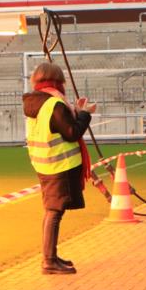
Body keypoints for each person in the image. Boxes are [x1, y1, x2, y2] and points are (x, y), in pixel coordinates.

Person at [22, 62, 95, 275]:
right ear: (57, 81)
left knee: (52, 211)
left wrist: (76, 111)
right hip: (59, 165)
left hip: (45, 163)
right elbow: (72, 132)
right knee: (54, 212)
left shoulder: (37, 103)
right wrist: (85, 114)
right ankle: (49, 261)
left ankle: (51, 257)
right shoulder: (54, 104)